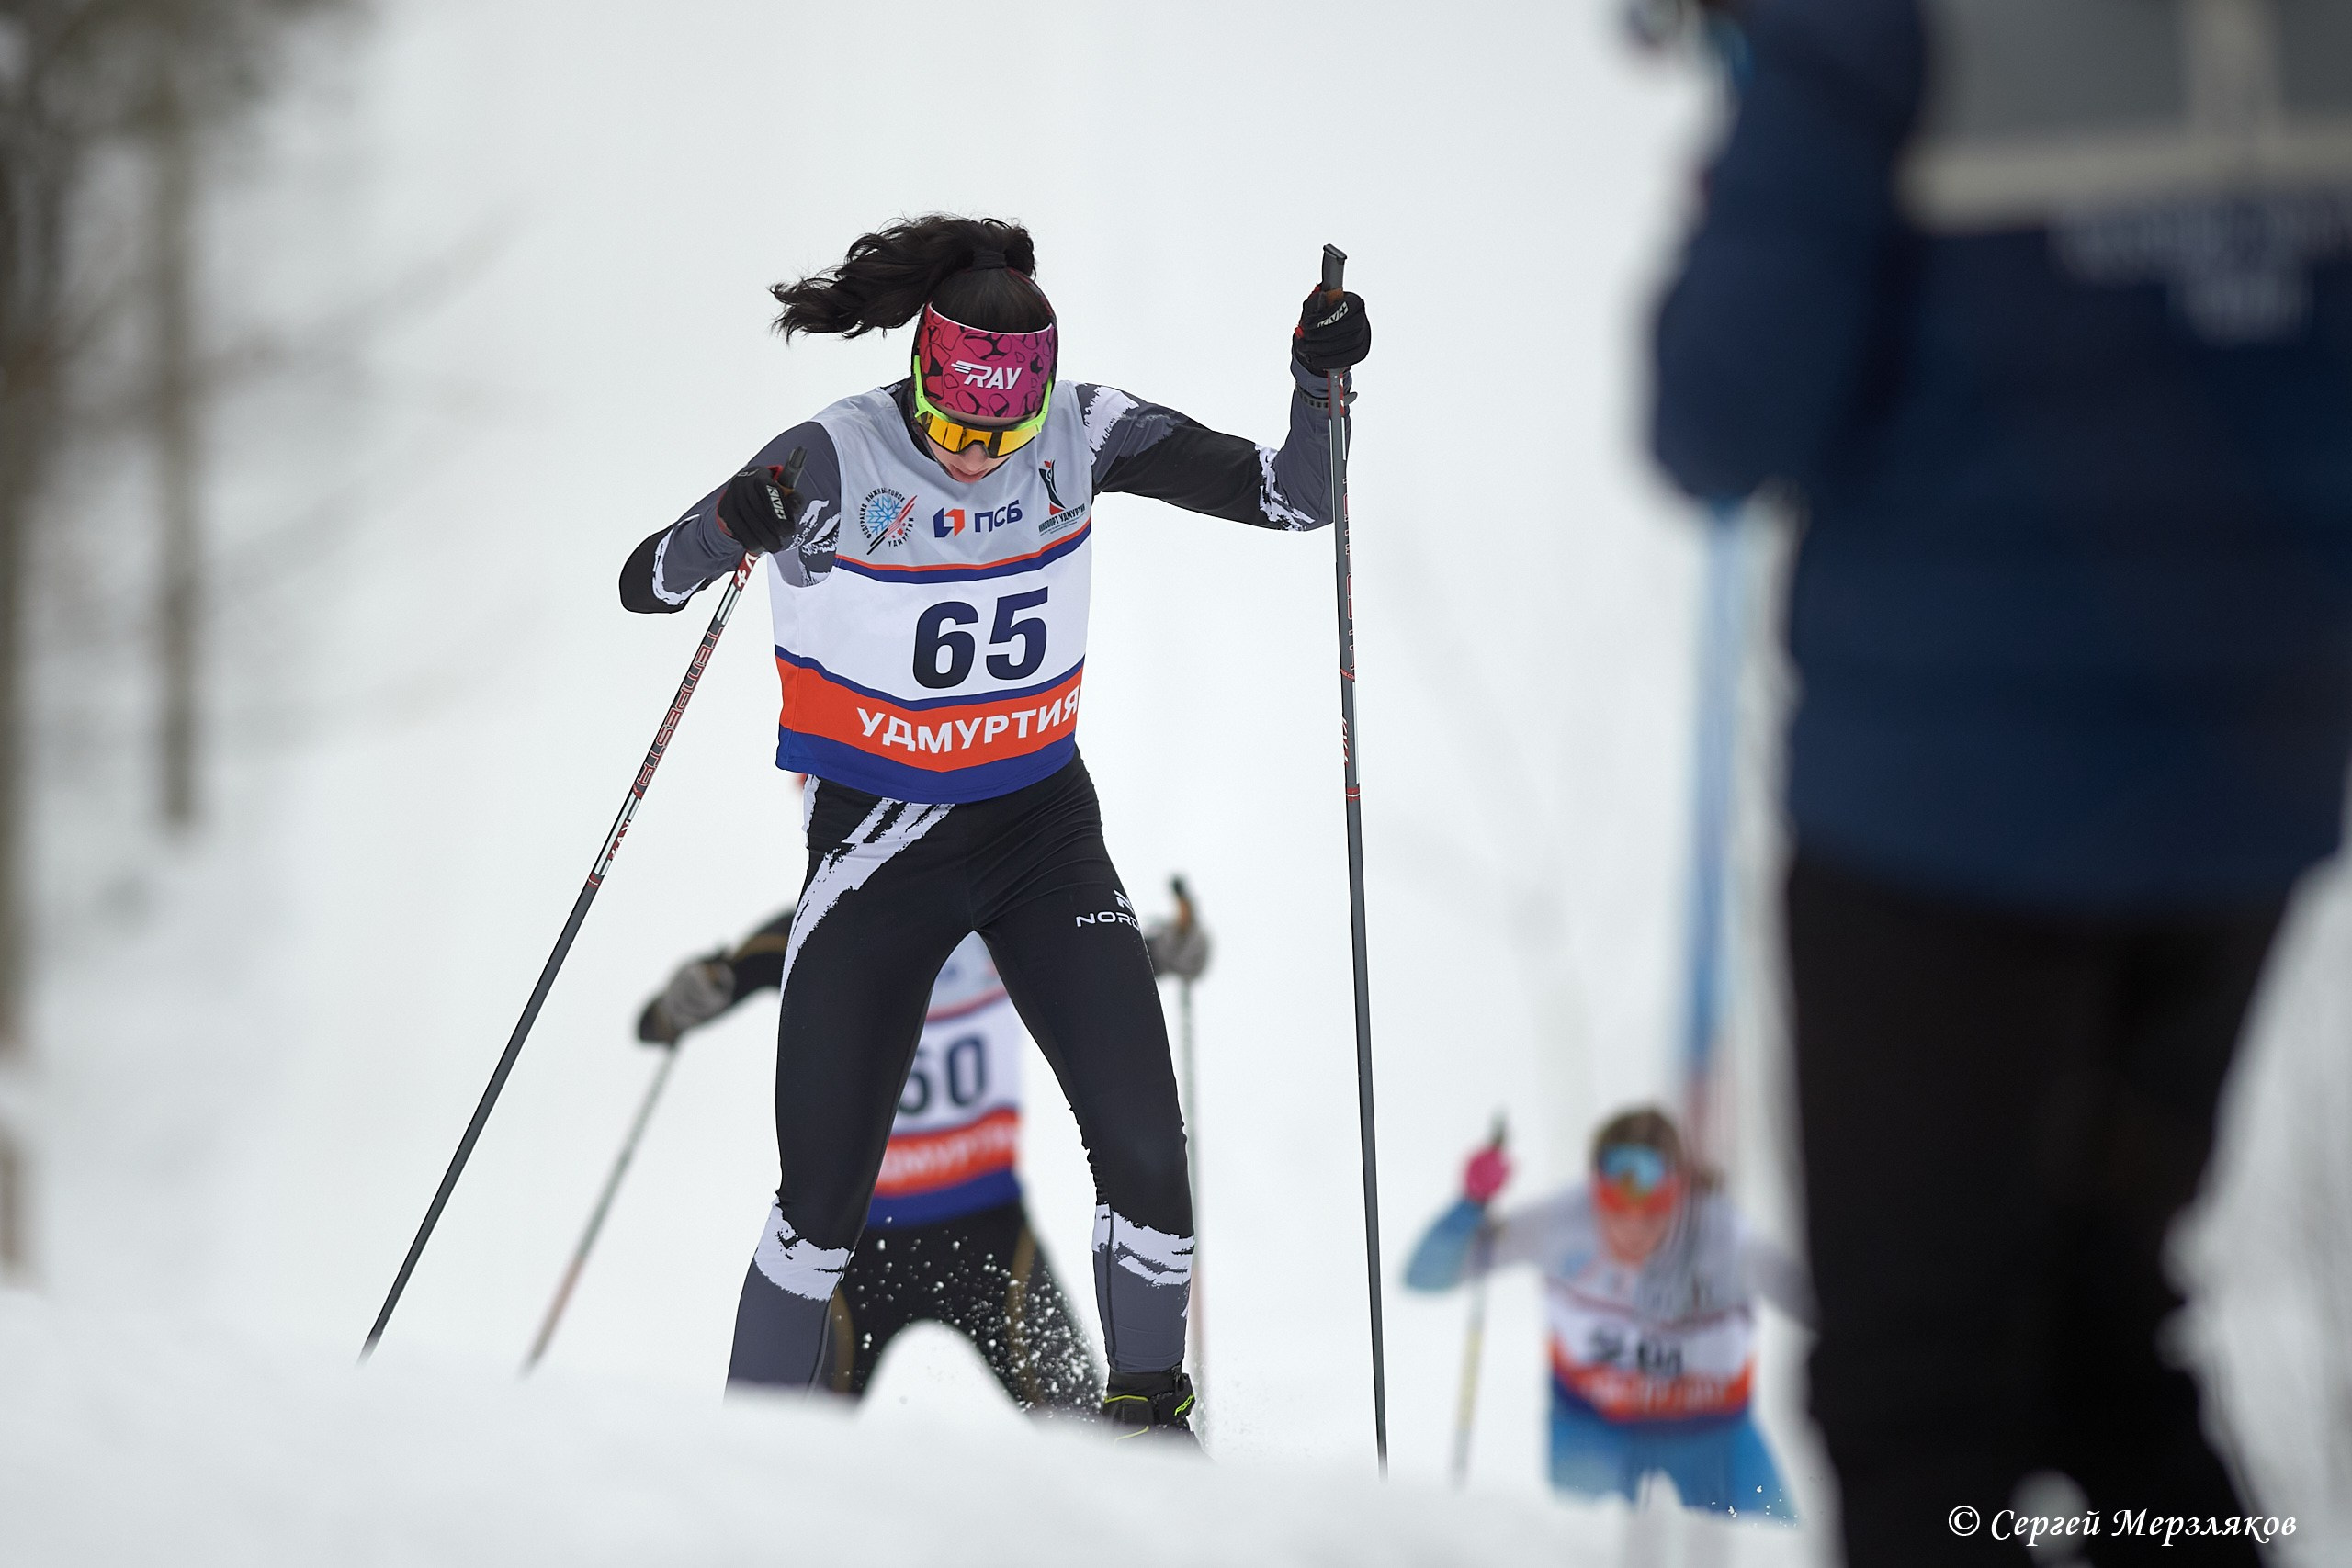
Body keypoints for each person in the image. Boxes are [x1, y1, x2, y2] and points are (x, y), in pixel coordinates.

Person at [1650, 3, 2352, 1562]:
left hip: (1947, 826)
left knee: (1924, 1399)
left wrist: (1747, 190)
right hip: (2246, 791)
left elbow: (1723, 408)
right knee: (2100, 1329)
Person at [617, 214, 1369, 1438]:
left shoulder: (1084, 429)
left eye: (1003, 433)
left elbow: (1298, 499)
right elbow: (648, 580)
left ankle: (1150, 1426)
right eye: (956, 425)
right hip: (882, 848)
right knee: (819, 1207)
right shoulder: (835, 455)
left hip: (1038, 835)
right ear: (919, 376)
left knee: (1147, 1152)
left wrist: (1317, 379)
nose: (977, 455)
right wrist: (732, 525)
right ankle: (745, 1466)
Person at [641, 922, 1097, 1415]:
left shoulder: (1003, 914)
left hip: (989, 1242)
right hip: (853, 1255)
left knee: (1100, 1438)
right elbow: (664, 1021)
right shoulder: (833, 917)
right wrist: (682, 1003)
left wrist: (1153, 950)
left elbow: (1102, 956)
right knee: (779, 1440)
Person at [1406, 1108, 1804, 1519]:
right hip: (1593, 1430)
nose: (1632, 1227)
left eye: (1653, 1213)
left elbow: (1822, 1308)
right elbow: (1424, 1277)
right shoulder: (1561, 1223)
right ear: (1595, 1192)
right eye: (1615, 1208)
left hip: (1710, 1434)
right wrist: (1469, 1207)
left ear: (1681, 1194)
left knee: (1771, 1543)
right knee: (1585, 1545)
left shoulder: (1725, 1235)